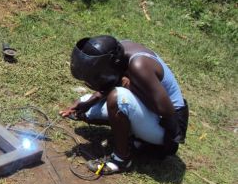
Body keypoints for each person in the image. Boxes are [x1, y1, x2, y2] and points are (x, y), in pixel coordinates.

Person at [60, 35, 189, 175]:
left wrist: (130, 87)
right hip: (150, 113)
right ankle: (134, 137)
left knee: (117, 98)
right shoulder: (117, 51)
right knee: (88, 109)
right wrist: (87, 103)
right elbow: (115, 79)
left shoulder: (139, 65)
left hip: (168, 130)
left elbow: (167, 110)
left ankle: (121, 160)